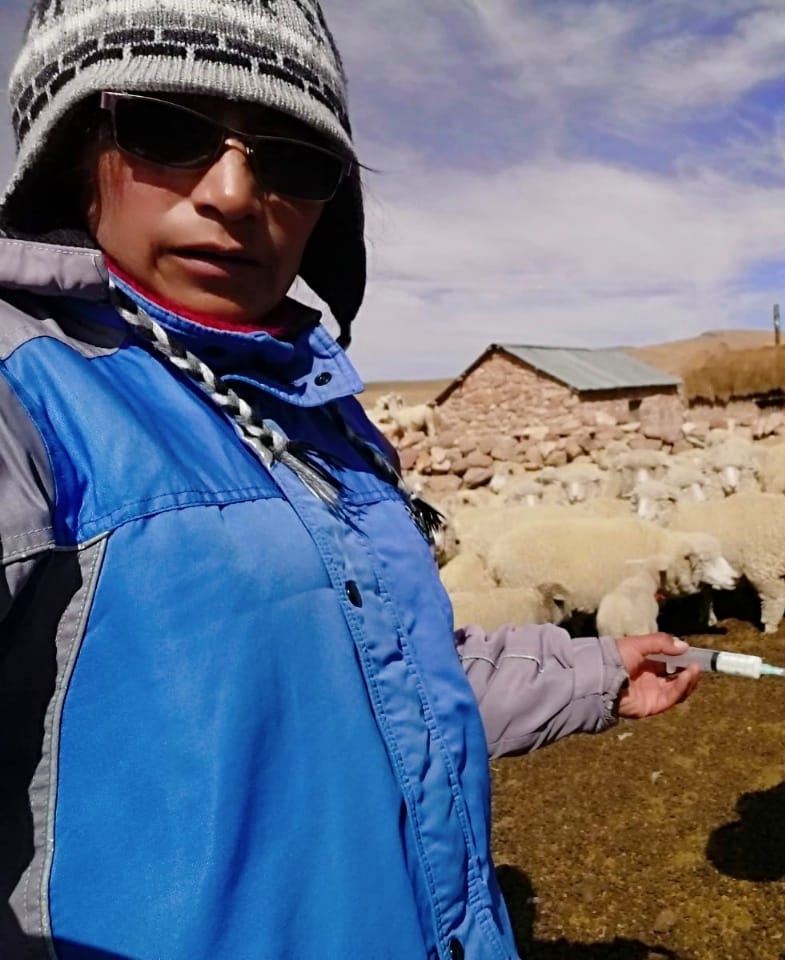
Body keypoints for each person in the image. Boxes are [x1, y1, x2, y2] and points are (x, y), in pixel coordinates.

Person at [0, 2, 699, 958]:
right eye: (167, 130)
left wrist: (590, 671)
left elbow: (375, 679)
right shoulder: (22, 399)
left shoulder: (322, 419)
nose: (236, 192)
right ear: (73, 145)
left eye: (294, 158)